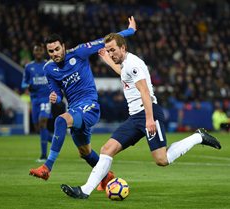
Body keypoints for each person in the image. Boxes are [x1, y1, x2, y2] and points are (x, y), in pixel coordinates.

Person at [60, 33, 222, 199]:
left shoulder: (133, 64)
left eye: (113, 50)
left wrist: (150, 119)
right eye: (108, 50)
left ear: (123, 48)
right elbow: (124, 74)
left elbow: (144, 91)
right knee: (107, 149)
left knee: (162, 160)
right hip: (135, 117)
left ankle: (198, 137)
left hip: (148, 113)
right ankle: (85, 191)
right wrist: (107, 61)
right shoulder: (125, 64)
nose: (110, 53)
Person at [29, 17, 137, 191]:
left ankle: (47, 167)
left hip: (90, 106)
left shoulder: (79, 52)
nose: (55, 53)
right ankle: (107, 177)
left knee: (60, 121)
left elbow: (105, 40)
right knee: (85, 153)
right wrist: (54, 97)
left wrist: (129, 31)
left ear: (63, 46)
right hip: (75, 110)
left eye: (57, 49)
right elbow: (56, 92)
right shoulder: (48, 69)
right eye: (51, 51)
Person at [22, 43, 53, 162]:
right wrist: (28, 85)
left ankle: (44, 155)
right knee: (37, 128)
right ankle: (53, 139)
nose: (38, 52)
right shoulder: (29, 67)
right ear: (33, 52)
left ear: (43, 52)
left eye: (40, 50)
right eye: (36, 50)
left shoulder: (48, 65)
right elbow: (23, 83)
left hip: (46, 98)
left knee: (42, 123)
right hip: (34, 99)